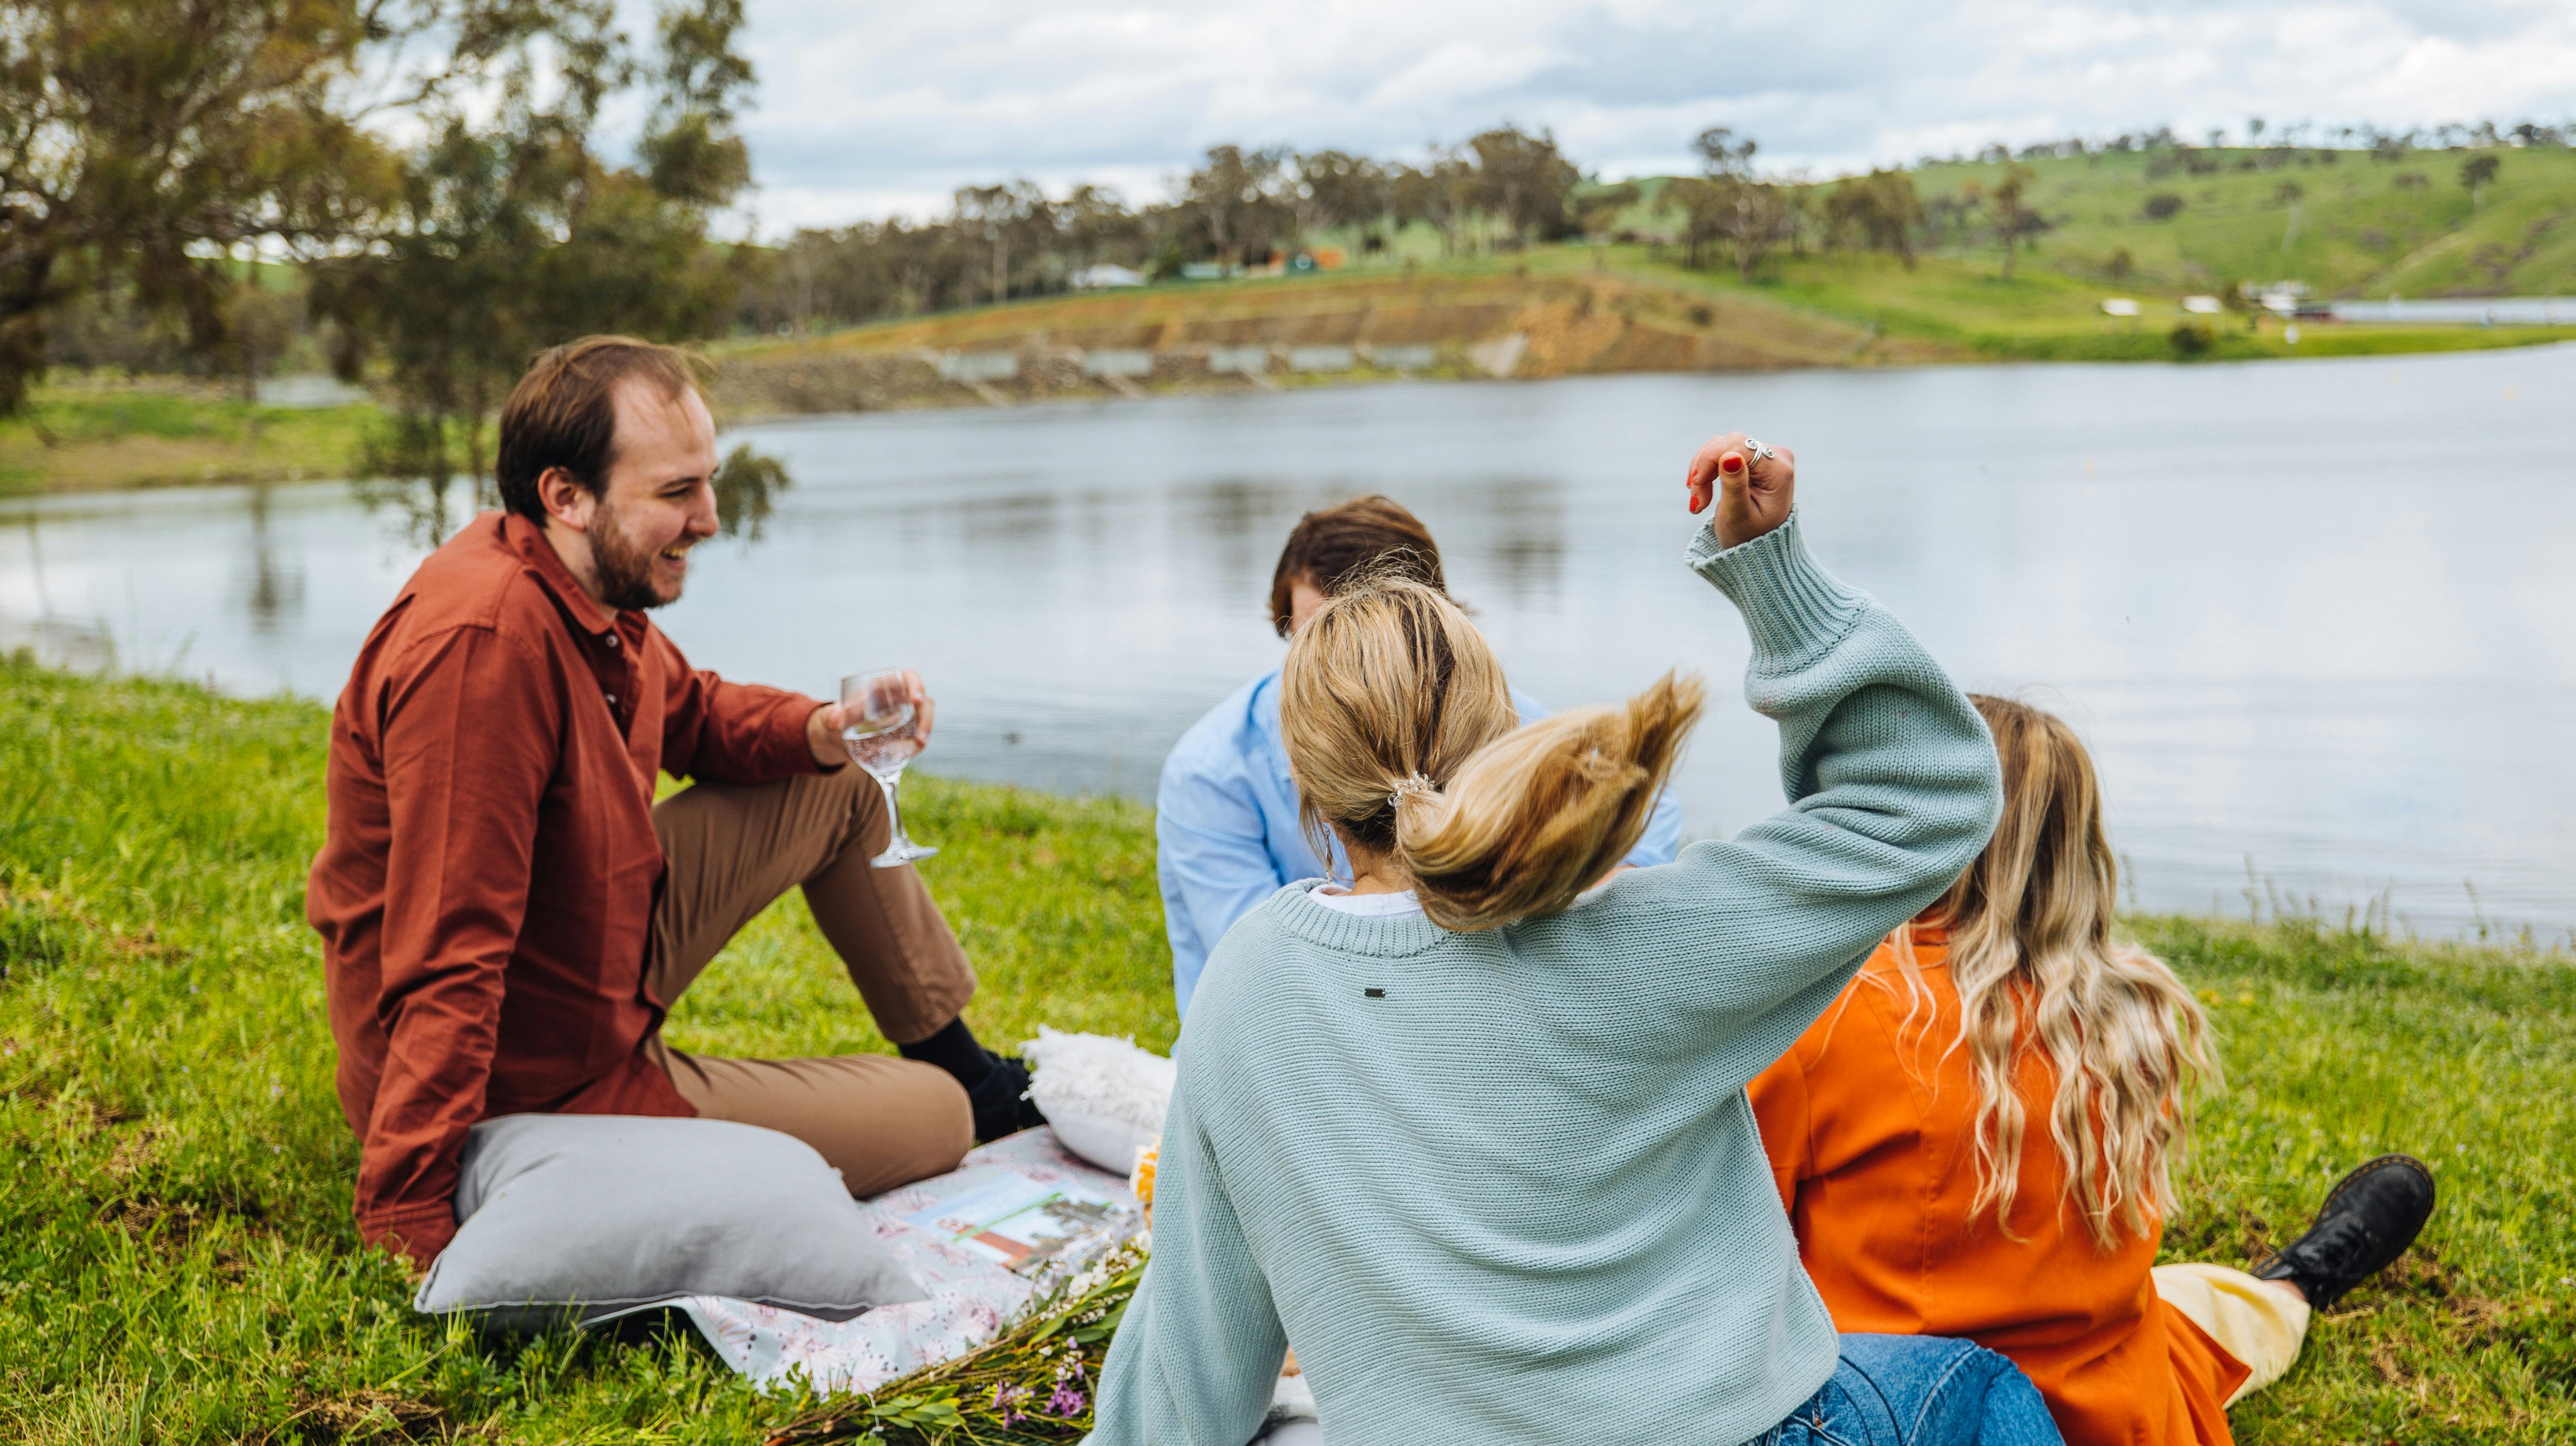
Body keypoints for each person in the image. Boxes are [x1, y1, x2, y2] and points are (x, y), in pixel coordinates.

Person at [1088, 436, 2054, 1445]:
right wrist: (1775, 577)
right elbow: (1930, 794)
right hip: (1737, 1427)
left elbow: (1184, 1374)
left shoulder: (1247, 986)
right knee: (1977, 1391)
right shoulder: (1635, 932)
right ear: (1508, 729)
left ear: (1303, 774)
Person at [307, 336, 1041, 1268]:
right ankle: (959, 1096)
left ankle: (964, 1063)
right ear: (565, 494)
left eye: (709, 483)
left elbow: (690, 710)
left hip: (584, 951)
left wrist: (826, 725)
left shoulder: (582, 588)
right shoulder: (485, 652)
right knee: (934, 1123)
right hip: (534, 1078)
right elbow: (449, 955)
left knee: (844, 776)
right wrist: (408, 1217)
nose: (711, 519)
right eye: (676, 494)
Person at [1747, 695, 2436, 1446]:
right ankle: (2299, 1280)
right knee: (2193, 1307)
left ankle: (2293, 1280)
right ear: (2072, 846)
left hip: (1915, 1409)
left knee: (2189, 1304)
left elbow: (1734, 1246)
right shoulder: (2132, 1017)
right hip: (2114, 1408)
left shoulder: (1829, 1016)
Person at [1155, 495, 1683, 1017]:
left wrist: (1581, 880)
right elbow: (1270, 982)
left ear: (1438, 628)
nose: (1346, 669)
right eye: (1314, 635)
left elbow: (1646, 797)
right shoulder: (1210, 772)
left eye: (1386, 648)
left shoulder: (1492, 709)